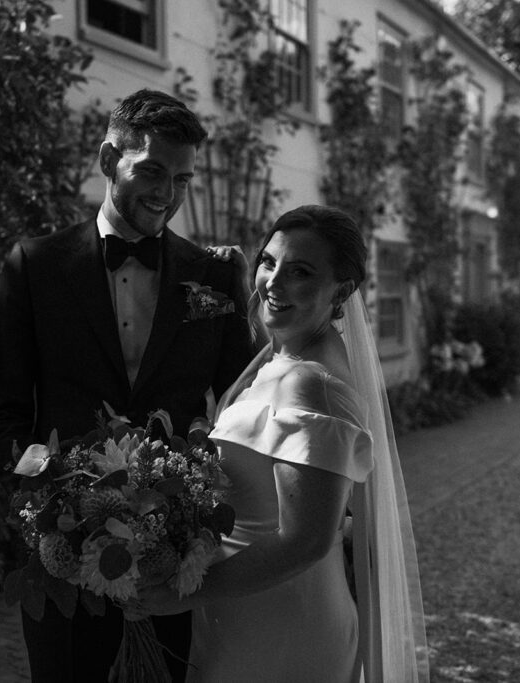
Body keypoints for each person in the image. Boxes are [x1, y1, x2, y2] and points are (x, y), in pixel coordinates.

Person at [0, 89, 256, 682]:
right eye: (151, 171)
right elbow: (1, 411)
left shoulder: (213, 275)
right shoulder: (34, 267)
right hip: (63, 558)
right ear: (109, 159)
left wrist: (200, 501)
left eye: (182, 179)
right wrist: (47, 503)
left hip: (174, 561)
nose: (167, 193)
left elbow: (245, 406)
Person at [139, 205, 430, 682]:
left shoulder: (311, 384)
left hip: (282, 624)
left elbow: (306, 540)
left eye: (300, 272)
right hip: (238, 612)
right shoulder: (282, 355)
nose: (274, 281)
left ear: (342, 291)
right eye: (269, 261)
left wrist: (184, 594)